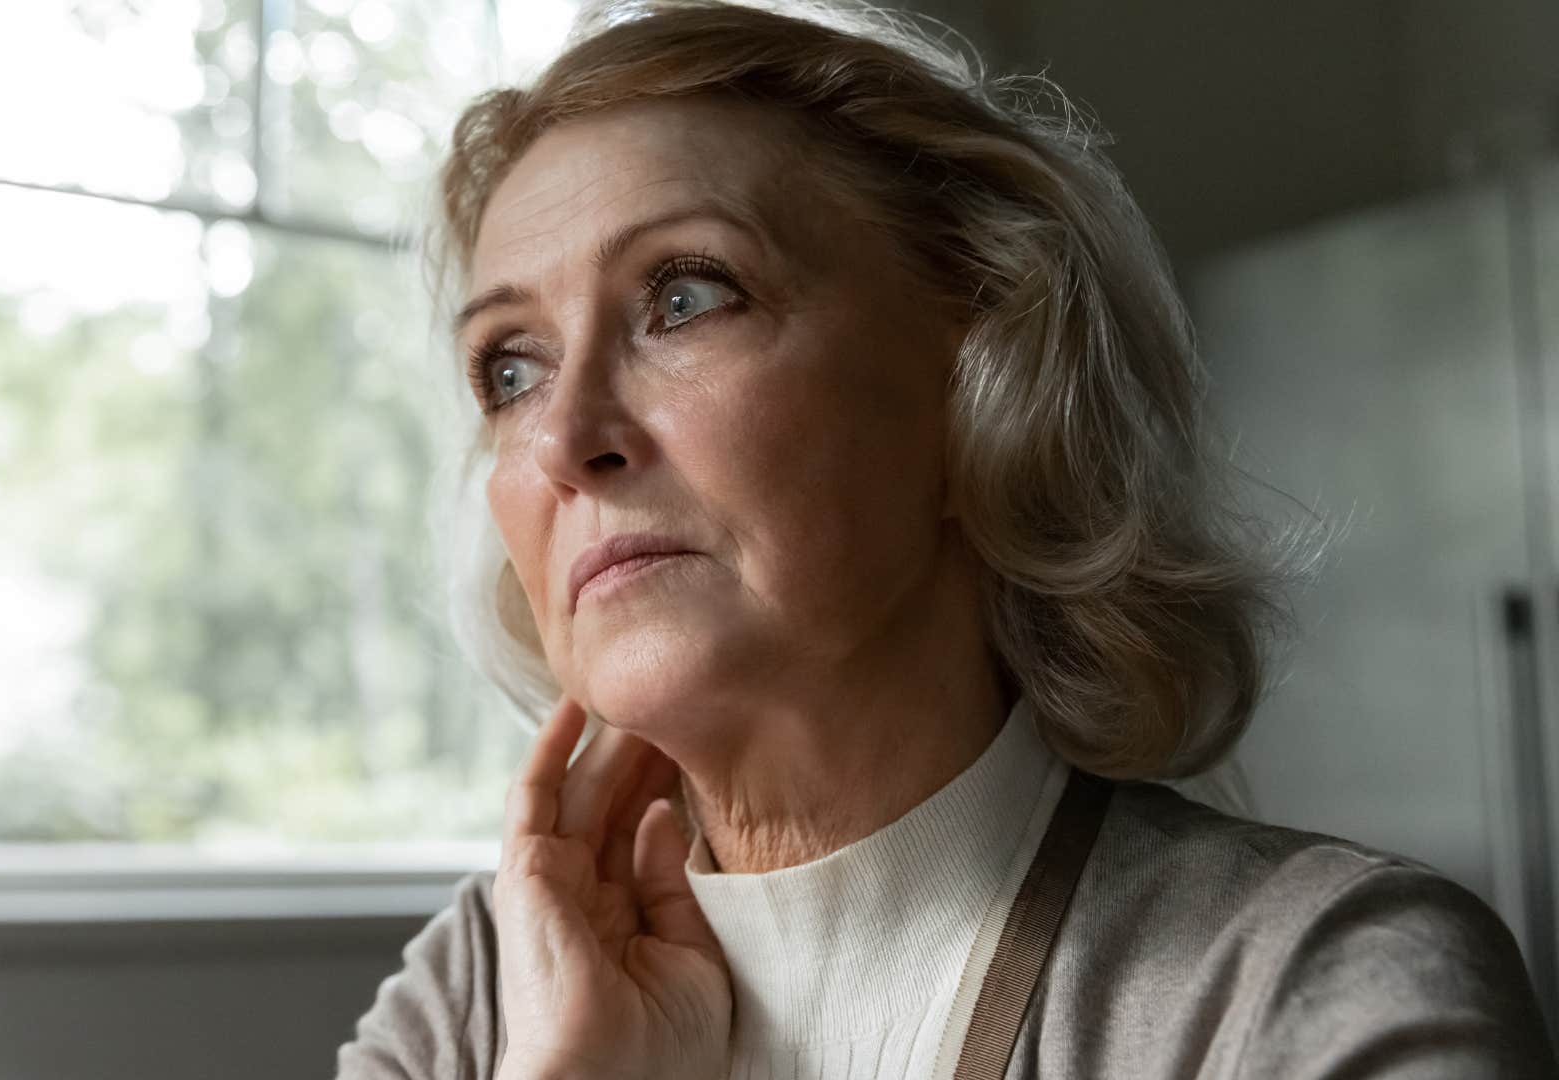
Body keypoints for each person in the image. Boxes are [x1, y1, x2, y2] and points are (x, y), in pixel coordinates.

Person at [336, 2, 1556, 1077]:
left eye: (685, 295)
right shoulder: (479, 994)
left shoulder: (1307, 984)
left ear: (983, 383)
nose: (564, 437)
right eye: (511, 368)